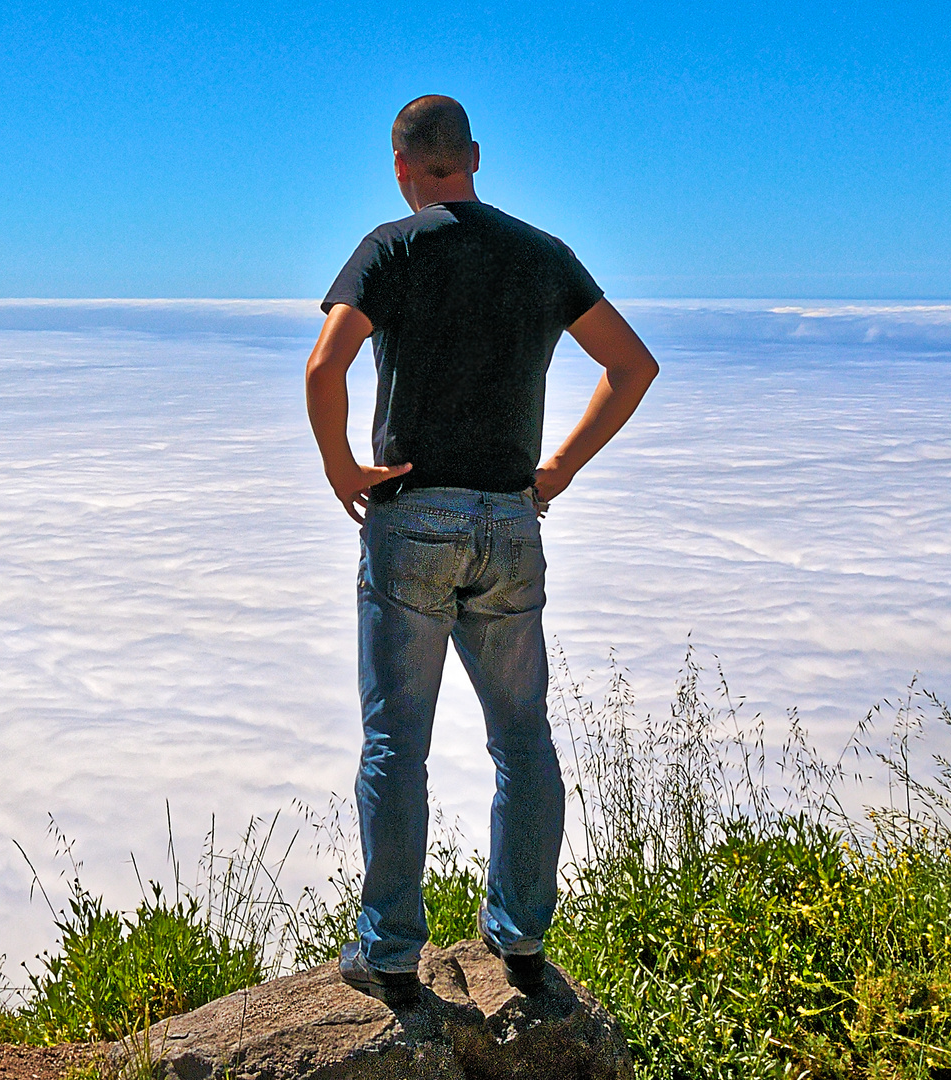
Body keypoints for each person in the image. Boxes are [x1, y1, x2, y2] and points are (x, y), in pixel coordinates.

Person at [305, 95, 659, 1006]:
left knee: (395, 742)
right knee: (523, 738)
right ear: (472, 157)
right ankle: (524, 942)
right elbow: (633, 367)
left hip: (411, 516)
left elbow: (324, 367)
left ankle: (388, 950)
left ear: (401, 165)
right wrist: (561, 470)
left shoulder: (391, 246)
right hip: (511, 520)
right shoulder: (541, 254)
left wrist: (346, 467)